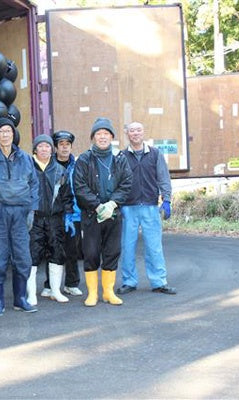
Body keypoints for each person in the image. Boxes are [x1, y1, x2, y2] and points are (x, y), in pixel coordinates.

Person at [73, 117, 132, 307]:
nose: (102, 137)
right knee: (90, 253)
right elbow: (79, 186)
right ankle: (92, 293)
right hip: (92, 214)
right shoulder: (84, 159)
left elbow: (126, 183)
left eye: (106, 133)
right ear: (93, 138)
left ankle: (108, 292)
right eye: (99, 134)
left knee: (112, 251)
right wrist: (98, 206)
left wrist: (113, 204)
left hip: (113, 214)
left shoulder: (120, 158)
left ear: (111, 137)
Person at [0, 117, 39, 316]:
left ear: (13, 135)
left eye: (8, 131)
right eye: (1, 132)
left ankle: (20, 299)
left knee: (22, 257)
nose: (5, 135)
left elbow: (34, 185)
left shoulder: (25, 158)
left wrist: (32, 210)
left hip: (20, 213)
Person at [118, 122, 177, 295]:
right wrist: (118, 203)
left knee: (154, 247)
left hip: (151, 207)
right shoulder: (121, 156)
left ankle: (159, 282)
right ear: (127, 134)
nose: (135, 133)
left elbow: (163, 178)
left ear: (143, 133)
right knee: (127, 247)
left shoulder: (155, 154)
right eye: (131, 131)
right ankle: (129, 282)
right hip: (128, 208)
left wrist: (166, 200)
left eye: (138, 130)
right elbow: (117, 182)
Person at [26, 134, 74, 305]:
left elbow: (67, 196)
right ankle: (31, 294)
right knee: (32, 256)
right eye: (41, 146)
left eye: (47, 146)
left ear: (52, 149)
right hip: (34, 219)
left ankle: (55, 291)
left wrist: (68, 214)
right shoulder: (28, 167)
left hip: (55, 219)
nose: (44, 149)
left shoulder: (60, 170)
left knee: (57, 253)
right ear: (35, 149)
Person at [51, 130, 84, 297]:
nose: (64, 148)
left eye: (67, 145)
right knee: (53, 249)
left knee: (72, 250)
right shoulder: (48, 165)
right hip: (54, 215)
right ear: (55, 147)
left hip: (74, 215)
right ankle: (50, 285)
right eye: (61, 145)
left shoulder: (78, 165)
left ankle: (71, 283)